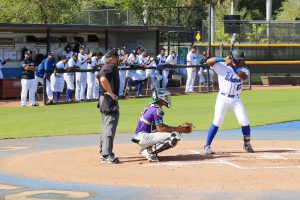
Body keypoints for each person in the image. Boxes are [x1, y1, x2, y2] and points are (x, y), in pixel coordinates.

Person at [203, 49, 254, 155]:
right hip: (223, 98)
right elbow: (208, 61)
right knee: (217, 121)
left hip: (236, 99)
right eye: (241, 60)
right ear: (236, 59)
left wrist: (233, 66)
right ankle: (207, 146)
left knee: (244, 121)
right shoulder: (222, 66)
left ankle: (247, 144)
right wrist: (223, 59)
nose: (243, 61)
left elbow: (243, 77)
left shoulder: (244, 70)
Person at [131, 88, 188, 162]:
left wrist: (176, 128)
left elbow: (160, 126)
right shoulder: (157, 110)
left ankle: (147, 149)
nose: (168, 99)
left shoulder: (151, 106)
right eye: (166, 97)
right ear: (161, 98)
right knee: (173, 138)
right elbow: (161, 129)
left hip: (140, 136)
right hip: (144, 137)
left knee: (168, 133)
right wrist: (177, 129)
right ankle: (148, 152)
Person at [97, 48, 120, 164]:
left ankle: (103, 153)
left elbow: (98, 78)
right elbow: (102, 79)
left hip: (104, 99)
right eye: (116, 57)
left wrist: (105, 91)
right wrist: (110, 93)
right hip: (108, 101)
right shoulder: (110, 66)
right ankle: (107, 154)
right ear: (111, 58)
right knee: (110, 126)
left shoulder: (104, 65)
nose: (117, 60)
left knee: (105, 126)